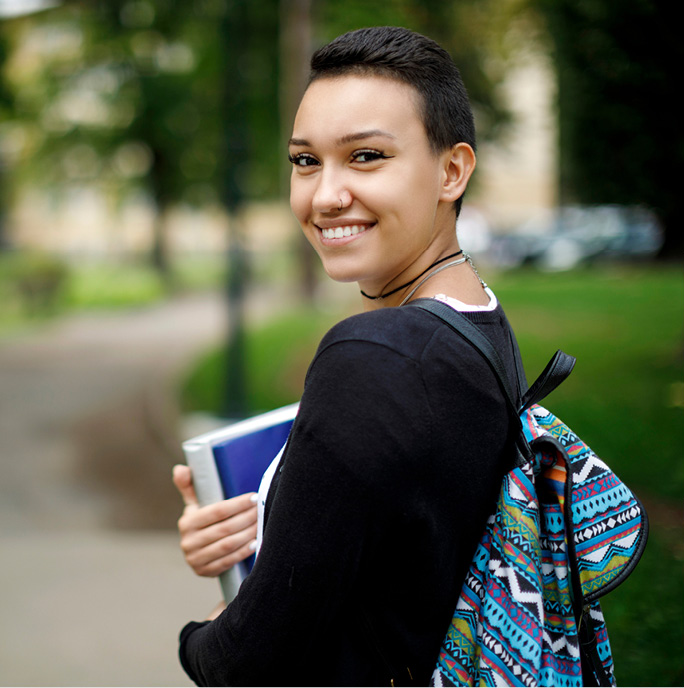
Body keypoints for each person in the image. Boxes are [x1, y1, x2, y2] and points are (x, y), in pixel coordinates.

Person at [174, 26, 522, 686]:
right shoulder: (480, 322)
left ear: (453, 170)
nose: (325, 194)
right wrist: (251, 542)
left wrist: (198, 637)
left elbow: (248, 662)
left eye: (365, 156)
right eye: (306, 161)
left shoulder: (374, 359)